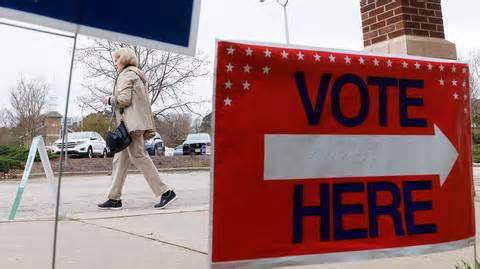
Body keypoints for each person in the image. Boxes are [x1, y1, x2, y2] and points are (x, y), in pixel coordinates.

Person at [97, 48, 176, 210]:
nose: (115, 63)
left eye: (117, 59)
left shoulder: (127, 74)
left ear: (125, 59)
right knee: (120, 160)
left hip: (130, 126)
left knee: (139, 156)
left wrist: (108, 100)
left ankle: (166, 192)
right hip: (131, 125)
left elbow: (124, 100)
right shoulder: (135, 74)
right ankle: (114, 198)